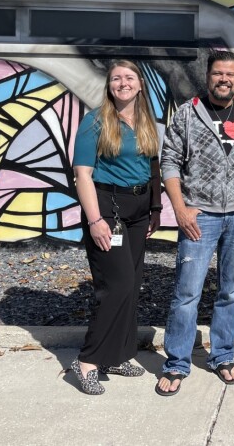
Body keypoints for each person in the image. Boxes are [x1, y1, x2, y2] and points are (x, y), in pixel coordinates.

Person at [156, 50, 234, 395]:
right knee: (187, 292)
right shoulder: (188, 114)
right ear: (208, 77)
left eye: (230, 75)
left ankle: (222, 355)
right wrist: (180, 209)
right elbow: (170, 162)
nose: (224, 80)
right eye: (218, 74)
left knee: (230, 291)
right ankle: (176, 362)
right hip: (199, 217)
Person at [71, 60, 162, 395]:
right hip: (109, 210)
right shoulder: (95, 121)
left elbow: (151, 164)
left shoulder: (145, 120)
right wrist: (95, 220)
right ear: (109, 85)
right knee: (118, 285)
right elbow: (82, 175)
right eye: (116, 79)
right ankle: (88, 360)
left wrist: (155, 207)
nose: (122, 83)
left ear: (140, 83)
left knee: (133, 283)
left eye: (129, 77)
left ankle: (117, 354)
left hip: (139, 213)